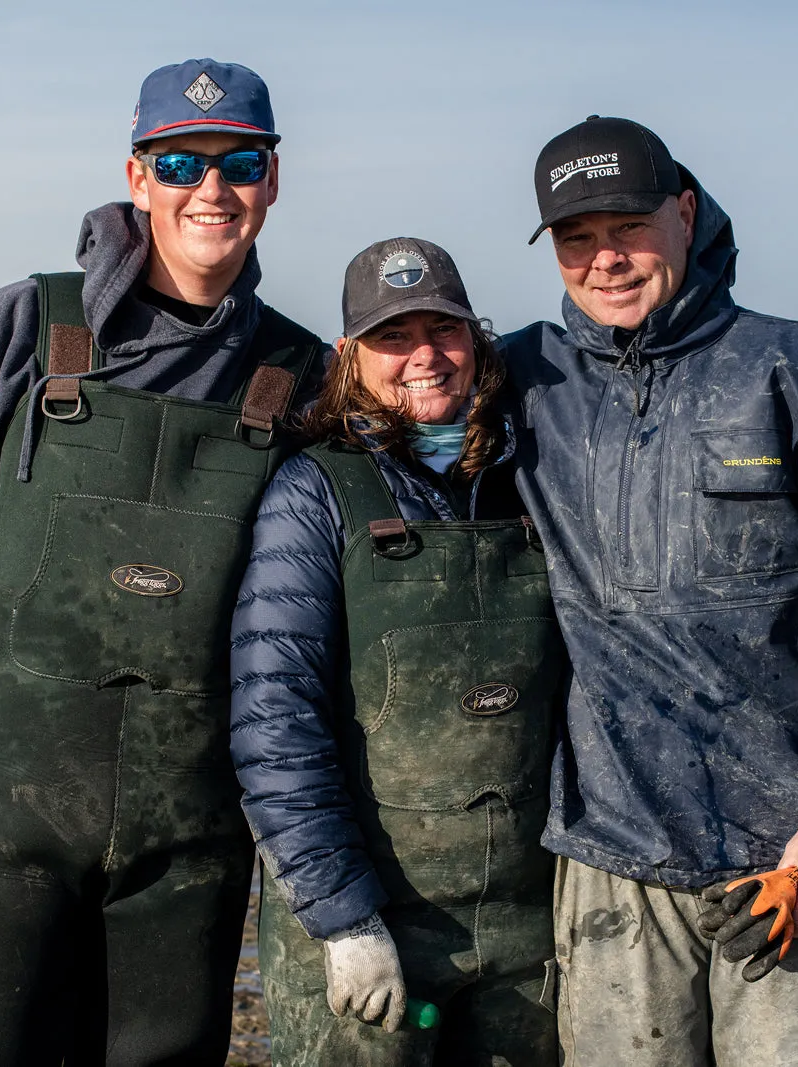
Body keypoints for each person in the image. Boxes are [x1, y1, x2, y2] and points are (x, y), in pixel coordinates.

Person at [0, 58, 324, 1064]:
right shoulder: (24, 327)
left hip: (189, 839)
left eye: (239, 162)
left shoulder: (297, 374)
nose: (212, 190)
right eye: (180, 163)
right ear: (137, 174)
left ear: (272, 181)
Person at [501, 116, 798, 1064]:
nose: (605, 259)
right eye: (577, 238)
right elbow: (396, 407)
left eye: (629, 228)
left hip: (795, 855)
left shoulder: (796, 368)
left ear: (685, 213)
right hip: (610, 860)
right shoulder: (524, 380)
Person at [230, 238, 564, 1066]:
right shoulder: (315, 491)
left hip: (532, 923)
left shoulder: (536, 479)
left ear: (476, 340)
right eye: (391, 336)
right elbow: (274, 717)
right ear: (350, 357)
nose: (423, 356)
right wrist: (343, 916)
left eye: (442, 330)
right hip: (374, 916)